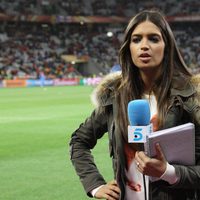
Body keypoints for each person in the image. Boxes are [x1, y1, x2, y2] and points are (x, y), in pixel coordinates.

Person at [69, 9, 200, 200]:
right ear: (128, 47)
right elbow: (78, 142)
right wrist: (95, 185)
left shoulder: (191, 99)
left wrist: (168, 172)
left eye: (153, 39)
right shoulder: (115, 96)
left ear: (167, 46)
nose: (144, 46)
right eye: (136, 39)